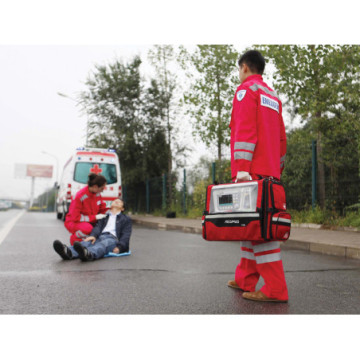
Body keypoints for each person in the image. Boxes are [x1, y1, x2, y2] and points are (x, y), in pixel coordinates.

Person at [227, 50, 288, 302]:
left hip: (250, 172)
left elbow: (244, 130)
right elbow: (282, 139)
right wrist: (277, 168)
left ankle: (275, 289)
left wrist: (241, 170)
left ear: (244, 67)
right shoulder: (272, 96)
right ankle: (245, 278)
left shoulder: (246, 92)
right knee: (251, 226)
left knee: (260, 230)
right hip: (270, 171)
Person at [53, 198, 132, 261]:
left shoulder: (126, 219)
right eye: (115, 200)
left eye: (120, 201)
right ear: (111, 205)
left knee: (102, 245)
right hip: (99, 236)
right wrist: (93, 235)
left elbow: (126, 235)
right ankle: (67, 252)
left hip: (113, 239)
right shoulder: (104, 217)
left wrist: (120, 247)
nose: (117, 201)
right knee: (86, 243)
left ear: (122, 208)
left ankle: (89, 254)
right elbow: (98, 227)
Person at [64, 173, 107, 245]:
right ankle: (75, 239)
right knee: (88, 229)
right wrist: (95, 217)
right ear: (95, 187)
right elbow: (76, 217)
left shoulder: (97, 194)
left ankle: (87, 243)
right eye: (102, 188)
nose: (102, 191)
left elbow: (102, 208)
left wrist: (111, 211)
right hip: (73, 222)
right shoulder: (79, 196)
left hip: (90, 221)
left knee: (102, 227)